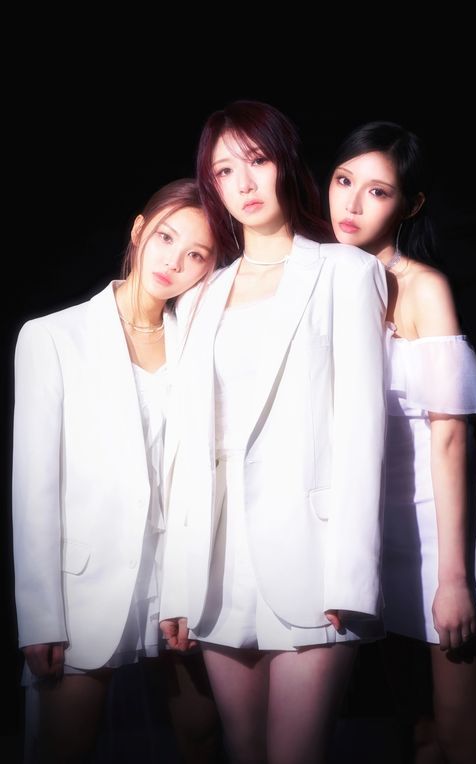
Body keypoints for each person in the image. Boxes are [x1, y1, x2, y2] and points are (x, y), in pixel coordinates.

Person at [159, 100, 388, 764]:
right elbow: (184, 450)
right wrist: (179, 585)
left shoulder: (346, 272)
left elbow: (362, 431)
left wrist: (351, 577)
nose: (245, 183)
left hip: (313, 558)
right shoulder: (197, 297)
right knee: (243, 750)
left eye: (256, 161)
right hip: (218, 564)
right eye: (225, 171)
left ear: (284, 161)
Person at [12, 178, 223, 763]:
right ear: (138, 230)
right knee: (63, 747)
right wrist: (39, 618)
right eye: (166, 238)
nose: (173, 262)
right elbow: (34, 490)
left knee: (202, 737)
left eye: (196, 255)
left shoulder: (200, 345)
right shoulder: (53, 338)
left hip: (178, 582)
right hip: (86, 587)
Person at [327, 121, 476, 763]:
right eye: (343, 180)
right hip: (376, 531)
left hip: (445, 528)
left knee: (461, 738)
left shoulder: (424, 286)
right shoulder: (322, 281)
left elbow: (450, 437)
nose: (351, 203)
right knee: (413, 731)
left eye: (377, 191)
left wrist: (454, 579)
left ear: (410, 205)